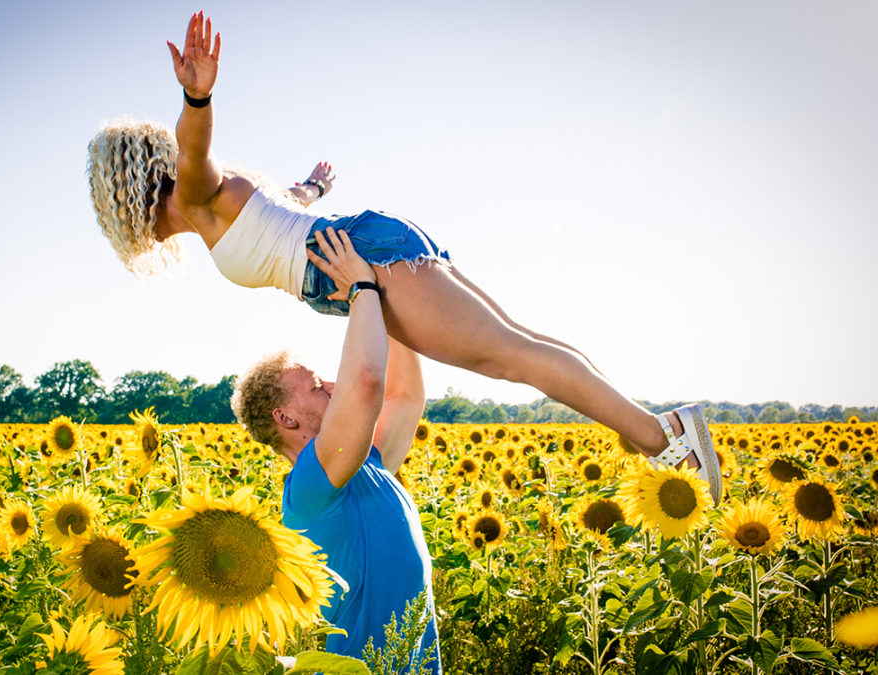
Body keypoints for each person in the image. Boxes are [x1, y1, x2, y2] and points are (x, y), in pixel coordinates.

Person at [86, 11, 722, 503]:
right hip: (373, 244)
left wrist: (197, 100)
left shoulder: (197, 197)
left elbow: (195, 153)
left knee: (511, 358)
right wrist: (316, 186)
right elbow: (291, 201)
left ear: (134, 196)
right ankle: (657, 428)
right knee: (519, 344)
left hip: (371, 265)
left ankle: (662, 440)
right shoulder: (225, 210)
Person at [231, 227, 441, 672]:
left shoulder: (367, 459)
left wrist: (388, 292)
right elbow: (365, 384)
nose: (329, 385)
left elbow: (403, 397)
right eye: (313, 385)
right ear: (285, 419)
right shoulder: (310, 487)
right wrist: (360, 290)